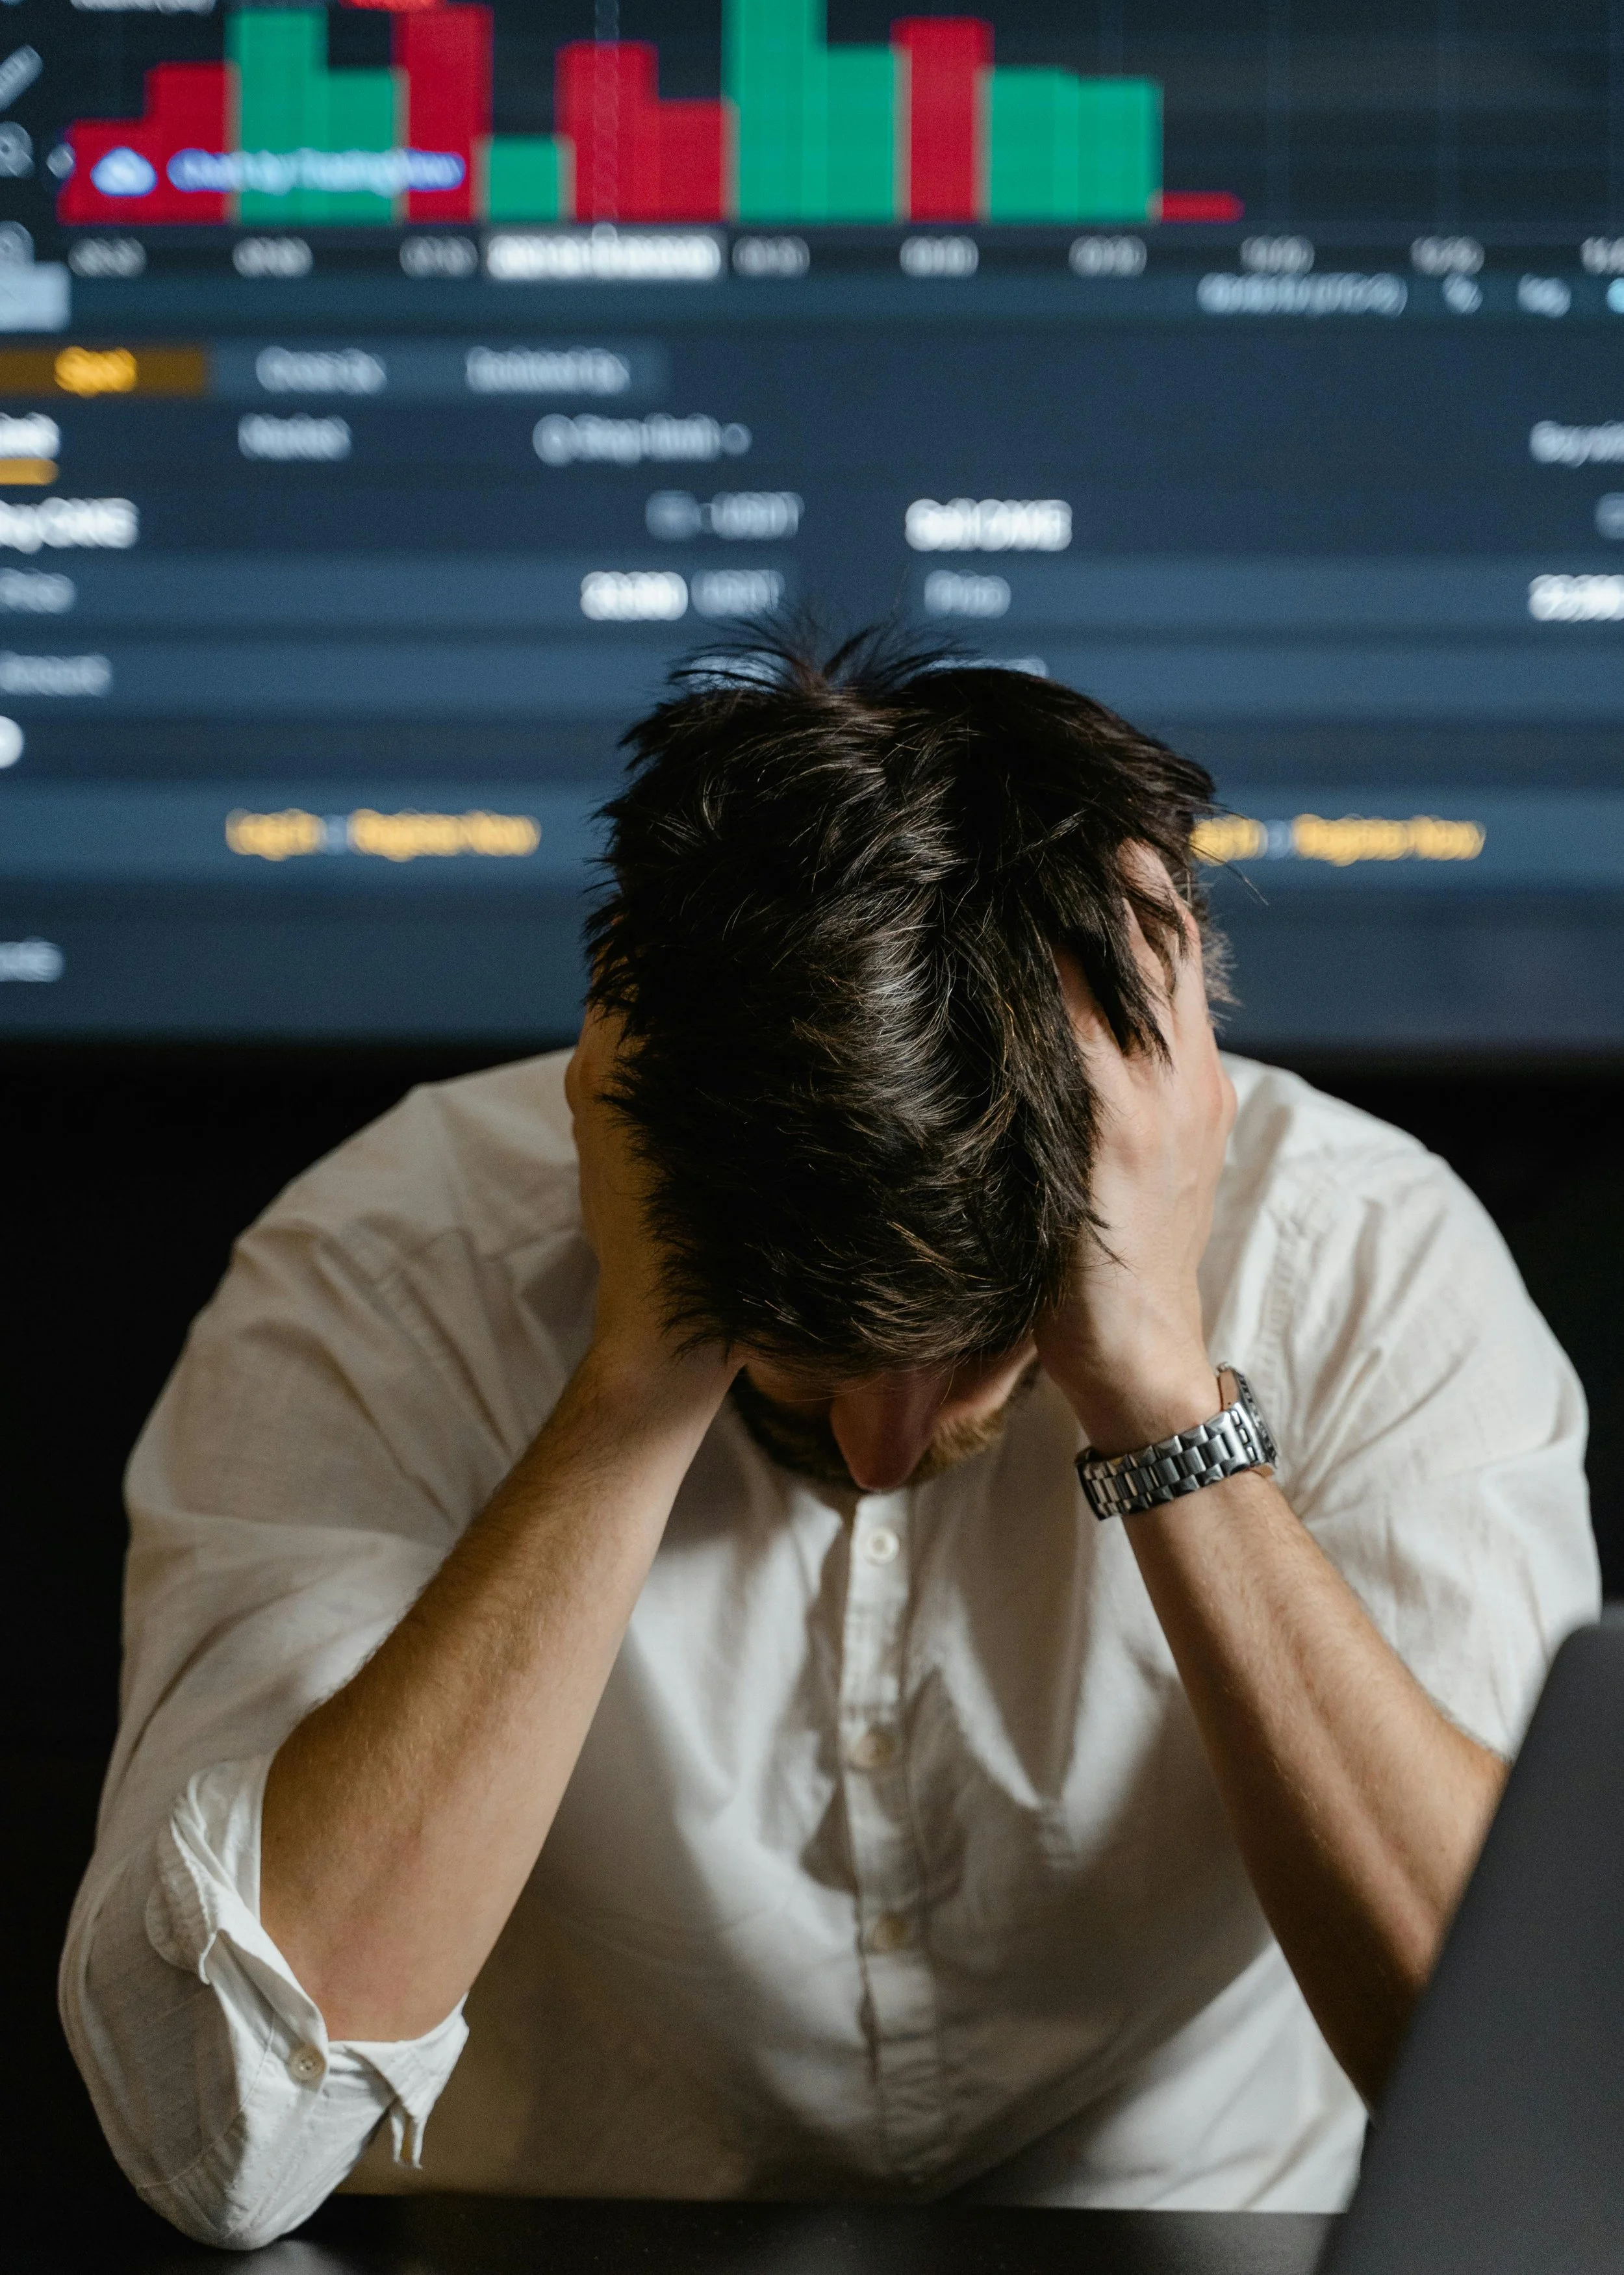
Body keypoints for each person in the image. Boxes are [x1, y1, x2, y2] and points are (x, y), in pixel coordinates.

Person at [62, 628, 1596, 2248]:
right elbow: (213, 2137)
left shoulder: (1364, 1256)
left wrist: (1152, 1389)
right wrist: (638, 1377)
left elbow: (1538, 2106)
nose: (879, 1454)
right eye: (797, 1366)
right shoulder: (385, 1265)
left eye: (982, 1355)